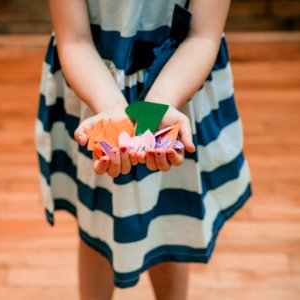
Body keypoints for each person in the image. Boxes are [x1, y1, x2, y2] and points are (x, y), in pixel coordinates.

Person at [35, 0, 252, 299]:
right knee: (96, 221)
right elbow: (74, 38)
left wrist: (157, 105)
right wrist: (112, 108)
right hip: (94, 87)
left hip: (180, 87)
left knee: (169, 221)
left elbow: (203, 34)